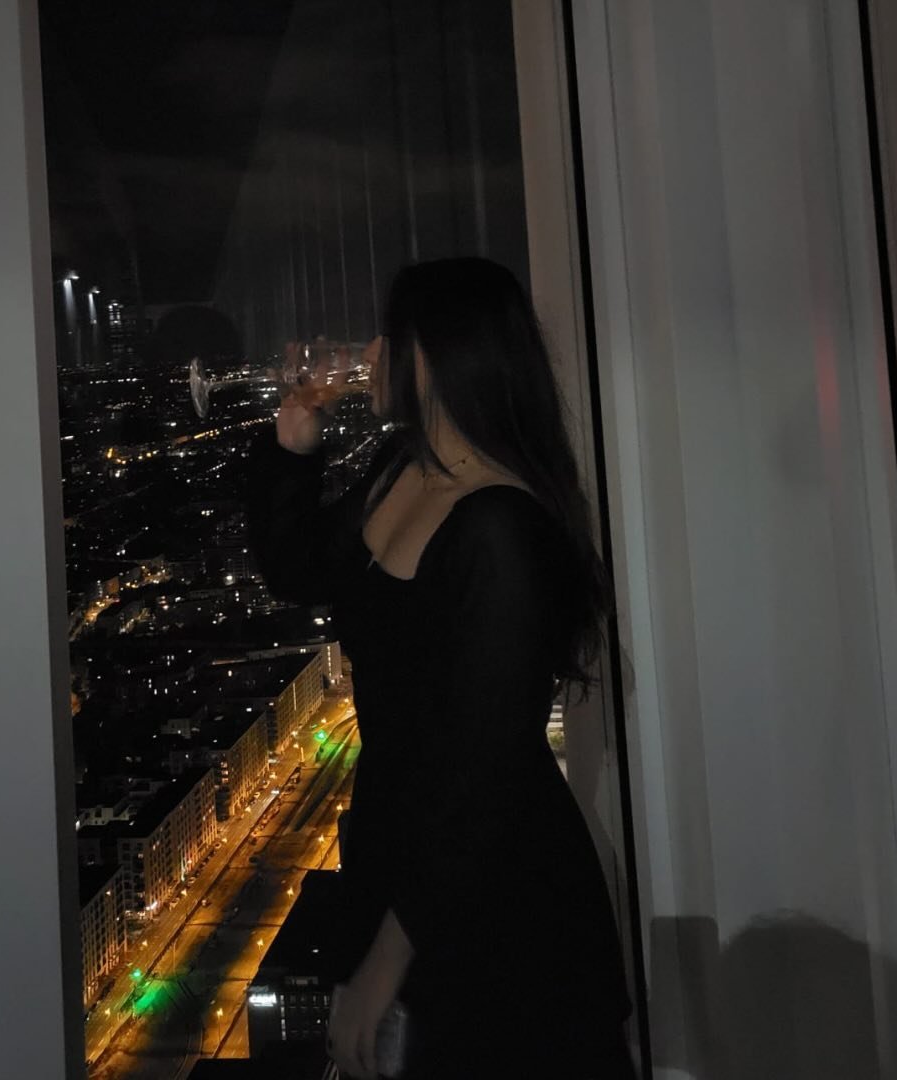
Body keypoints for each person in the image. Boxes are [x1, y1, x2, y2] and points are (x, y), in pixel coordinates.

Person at [245, 257, 635, 1079]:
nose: (370, 354)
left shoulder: (500, 529)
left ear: (433, 354)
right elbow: (300, 568)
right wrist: (292, 449)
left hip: (498, 898)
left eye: (389, 337)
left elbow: (485, 774)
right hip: (406, 853)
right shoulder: (402, 469)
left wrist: (387, 960)